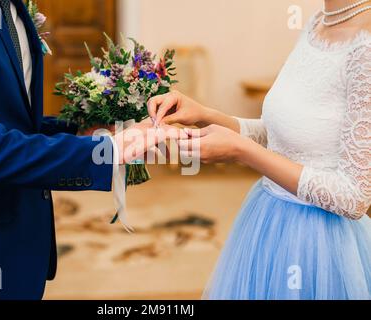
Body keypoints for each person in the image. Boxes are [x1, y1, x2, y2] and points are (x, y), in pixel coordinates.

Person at [0, 0, 170, 299]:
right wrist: (105, 151)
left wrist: (78, 132)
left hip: (17, 238)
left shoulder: (11, 6)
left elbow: (11, 120)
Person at [148, 0, 371, 299]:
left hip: (318, 244)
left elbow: (354, 197)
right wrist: (205, 114)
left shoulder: (365, 46)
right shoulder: (317, 23)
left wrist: (241, 151)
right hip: (269, 220)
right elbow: (280, 135)